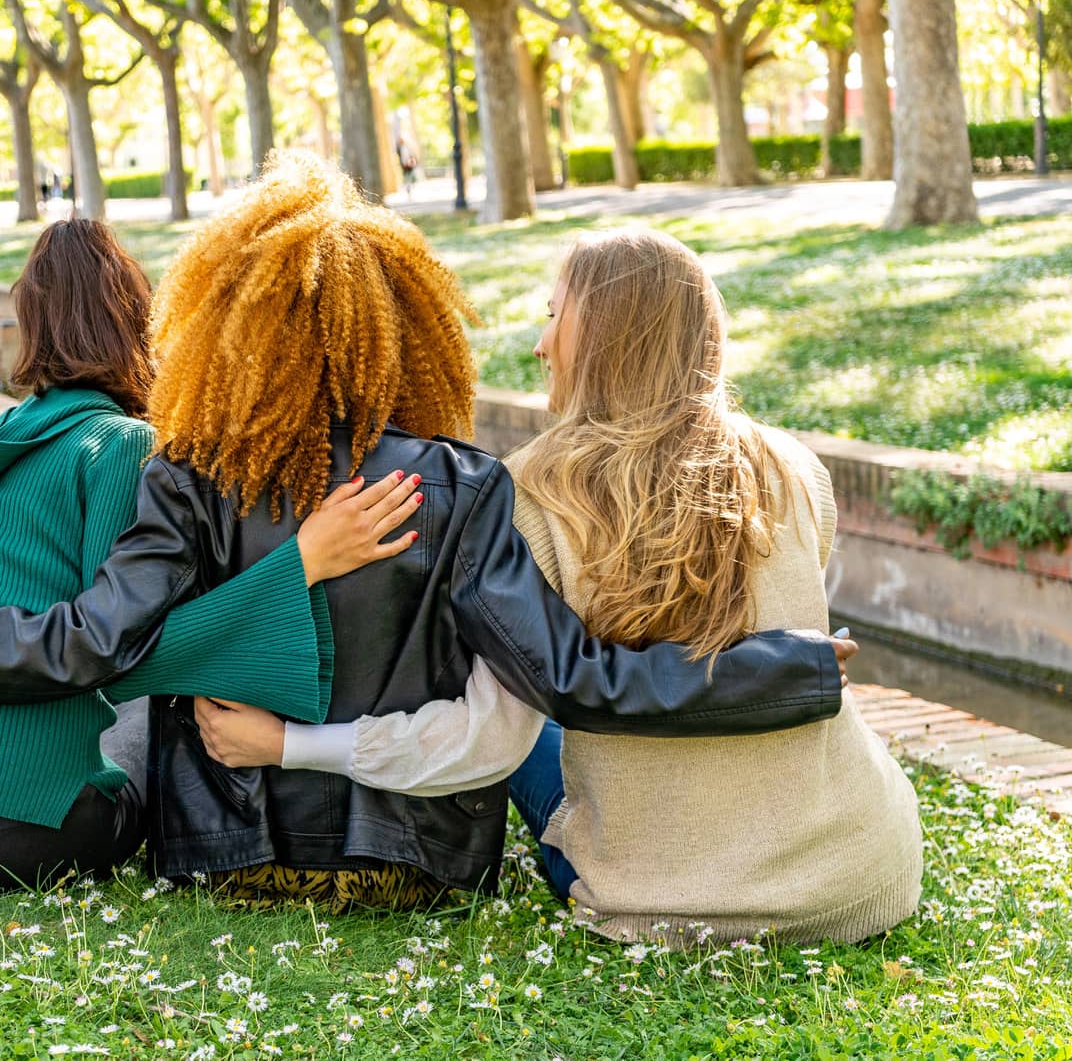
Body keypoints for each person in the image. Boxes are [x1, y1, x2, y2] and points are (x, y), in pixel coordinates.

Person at [0, 153, 851, 909]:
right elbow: (562, 681)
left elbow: (116, 646)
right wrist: (792, 666)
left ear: (225, 319)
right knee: (516, 699)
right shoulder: (462, 483)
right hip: (416, 869)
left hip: (220, 858)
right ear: (409, 322)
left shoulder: (184, 473)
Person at [200, 229, 919, 945]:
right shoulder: (795, 468)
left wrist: (287, 743)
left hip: (663, 902)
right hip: (860, 869)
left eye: (554, 315)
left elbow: (482, 746)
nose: (541, 344)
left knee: (523, 716)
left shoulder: (529, 497)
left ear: (604, 336)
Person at [0, 218, 422, 890]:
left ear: (30, 324)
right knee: (148, 691)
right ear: (140, 321)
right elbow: (128, 651)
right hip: (24, 837)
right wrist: (301, 562)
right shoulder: (122, 446)